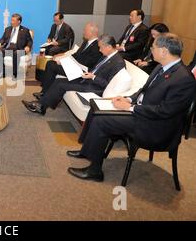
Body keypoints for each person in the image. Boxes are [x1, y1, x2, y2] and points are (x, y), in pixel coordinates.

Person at [68, 33, 196, 182]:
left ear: (164, 51)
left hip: (156, 126)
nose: (150, 49)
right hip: (143, 113)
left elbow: (165, 111)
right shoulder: (162, 67)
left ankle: (95, 171)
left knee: (102, 120)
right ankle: (87, 151)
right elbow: (143, 90)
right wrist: (128, 98)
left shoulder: (183, 78)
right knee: (96, 107)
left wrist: (131, 108)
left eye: (153, 47)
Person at [22, 35, 125, 116]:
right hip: (88, 79)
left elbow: (108, 84)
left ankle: (40, 106)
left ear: (109, 47)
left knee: (61, 84)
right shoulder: (106, 56)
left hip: (95, 87)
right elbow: (95, 69)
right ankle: (41, 106)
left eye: (101, 48)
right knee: (59, 81)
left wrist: (92, 77)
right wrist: (86, 72)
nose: (99, 50)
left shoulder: (118, 62)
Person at [33, 22, 102, 100]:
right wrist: (64, 59)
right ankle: (45, 91)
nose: (83, 32)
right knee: (51, 63)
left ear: (91, 32)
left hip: (81, 72)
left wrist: (70, 63)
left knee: (51, 65)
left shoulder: (97, 46)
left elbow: (89, 63)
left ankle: (44, 92)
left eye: (85, 30)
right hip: (74, 66)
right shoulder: (86, 42)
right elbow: (76, 54)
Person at [0, 13, 33, 79]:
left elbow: (30, 41)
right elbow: (3, 38)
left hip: (19, 49)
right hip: (9, 48)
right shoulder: (8, 29)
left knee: (16, 54)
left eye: (13, 20)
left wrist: (28, 46)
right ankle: (2, 72)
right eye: (11, 20)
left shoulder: (25, 30)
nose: (11, 22)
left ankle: (15, 74)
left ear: (19, 21)